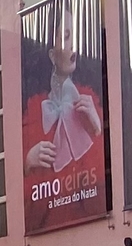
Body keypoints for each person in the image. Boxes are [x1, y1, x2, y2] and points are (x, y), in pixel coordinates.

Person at [21, 32, 106, 222]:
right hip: (46, 231)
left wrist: (97, 129)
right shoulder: (35, 111)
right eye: (66, 37)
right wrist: (27, 162)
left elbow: (101, 189)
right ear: (52, 54)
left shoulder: (89, 105)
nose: (73, 47)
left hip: (89, 225)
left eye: (74, 37)